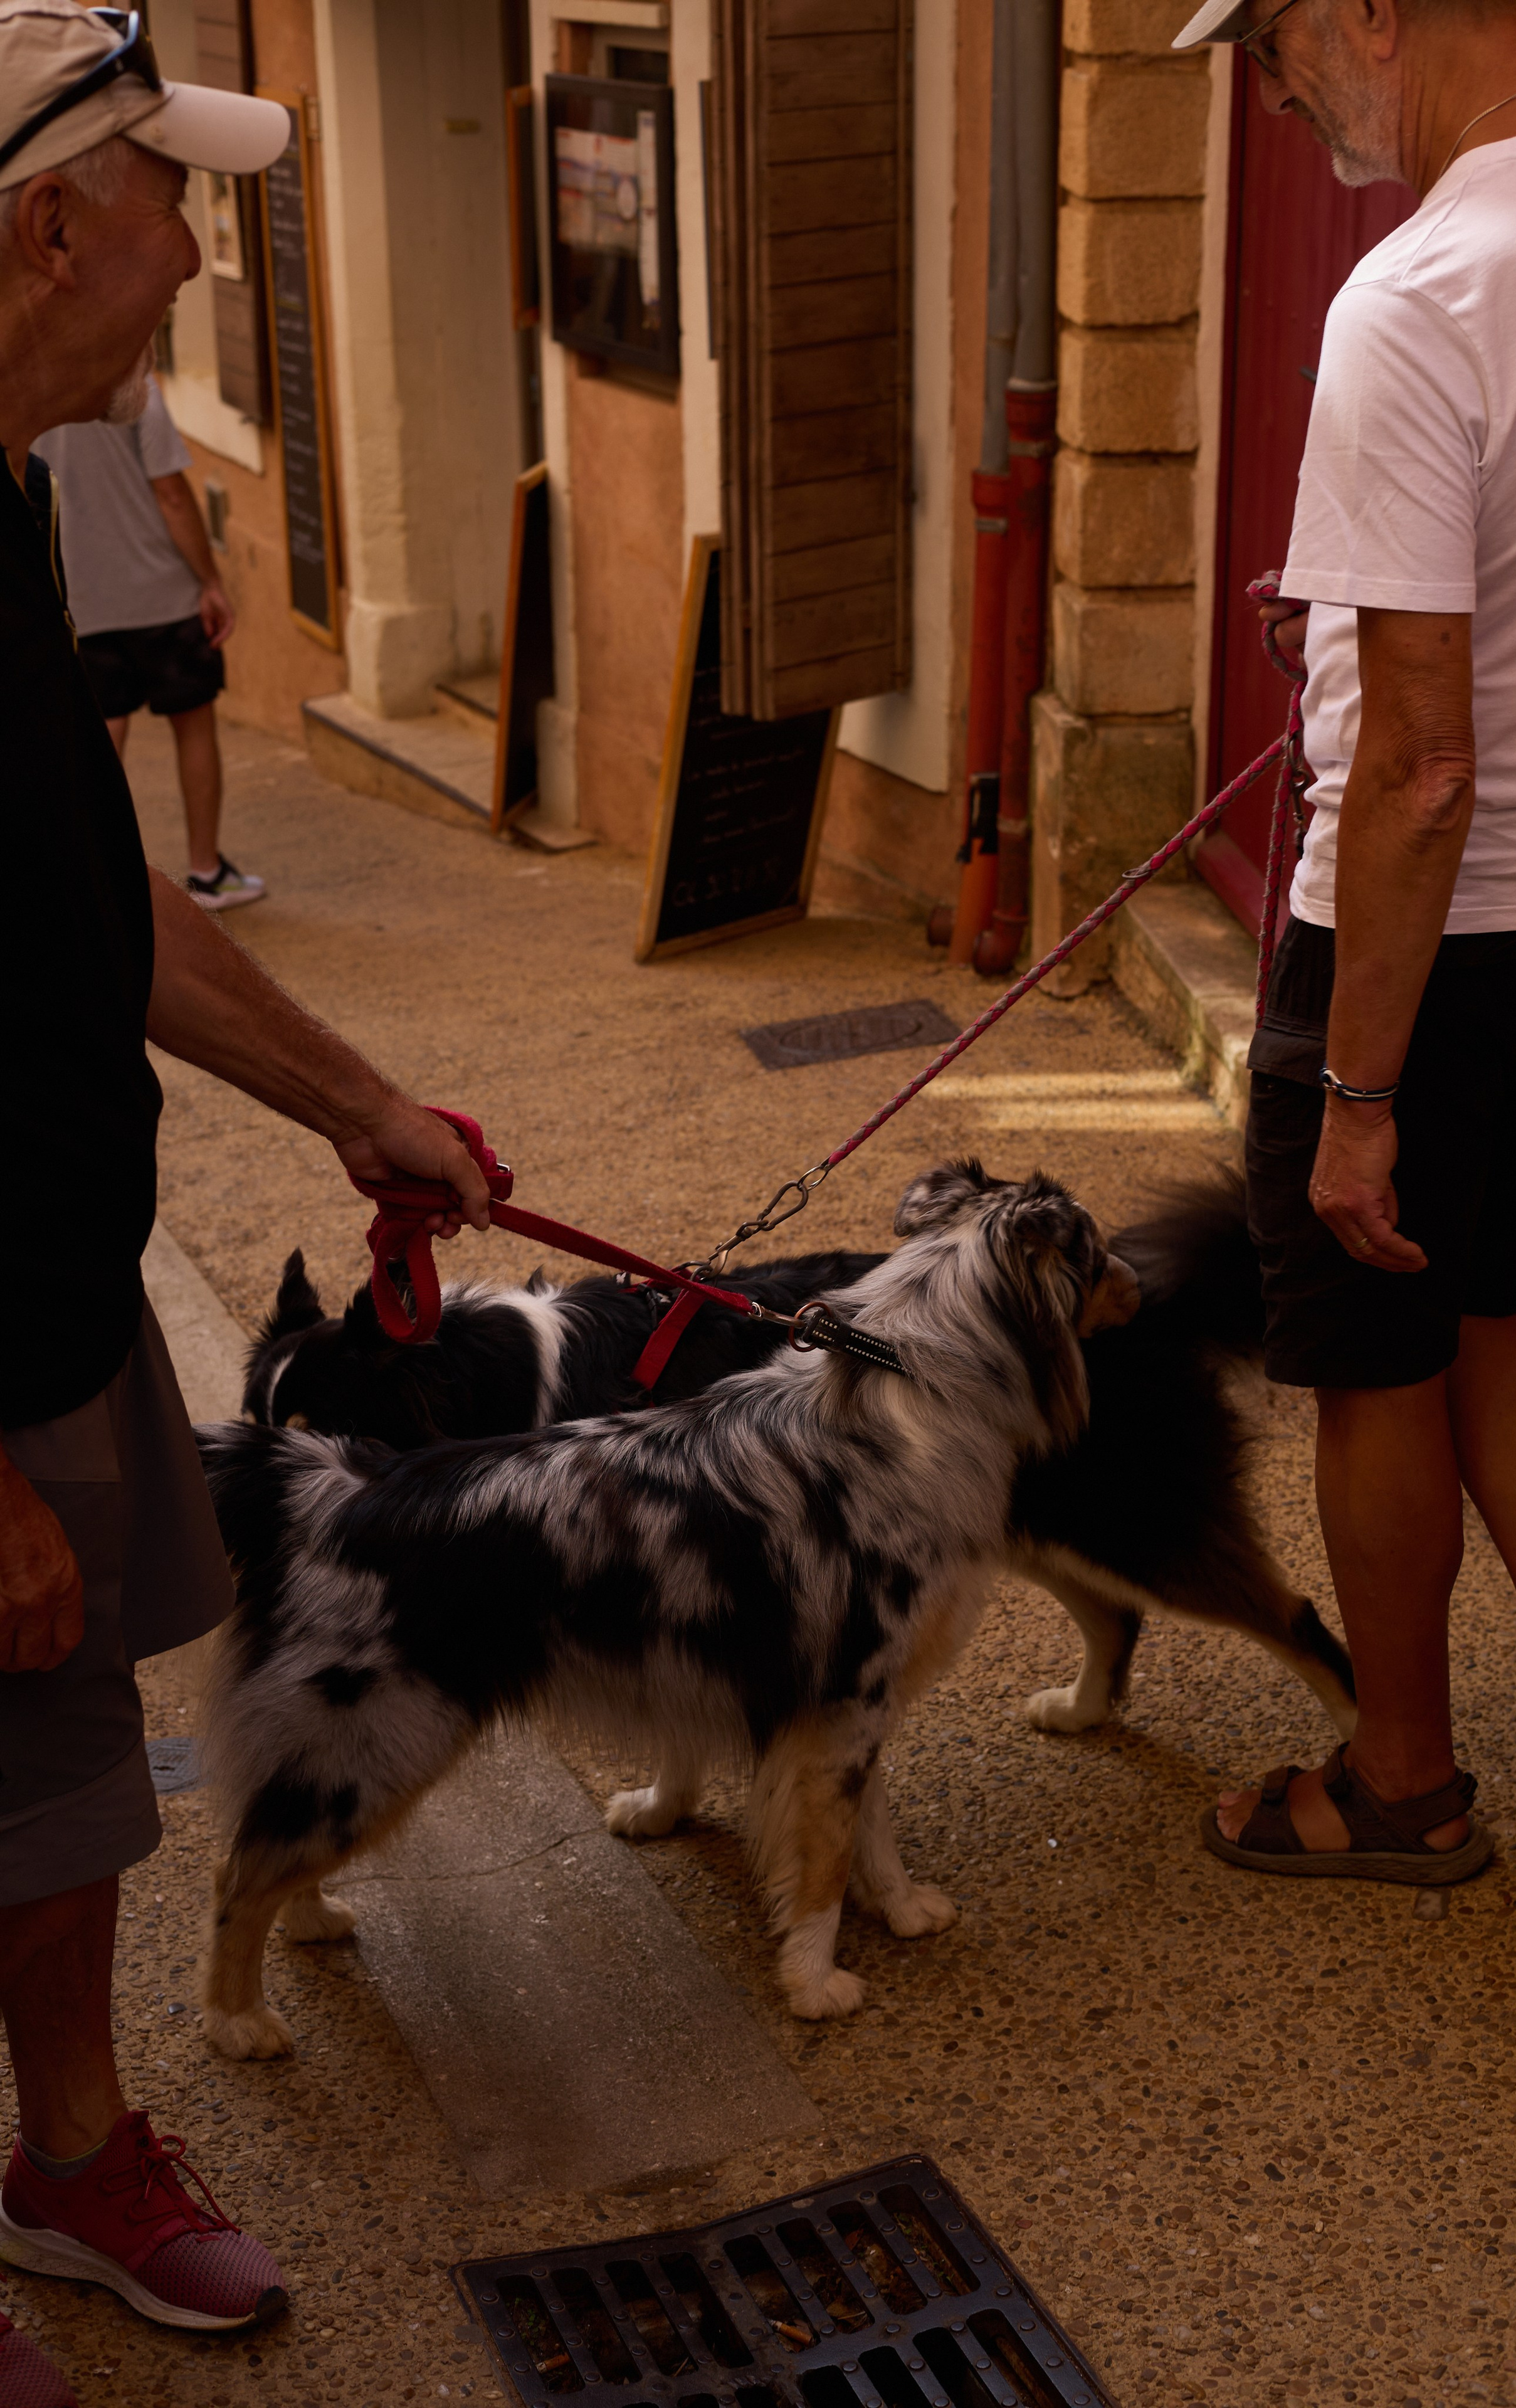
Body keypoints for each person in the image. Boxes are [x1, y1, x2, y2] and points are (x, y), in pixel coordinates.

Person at [0, 8, 491, 2403]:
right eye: (171, 200)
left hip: (49, 1292)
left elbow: (99, 892)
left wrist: (351, 1094)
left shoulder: (2, 495)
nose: (201, 254)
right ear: (46, 225)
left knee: (64, 1758)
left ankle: (74, 2158)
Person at [1170, 0, 1516, 1881]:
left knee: (1371, 1339)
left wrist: (1355, 1088)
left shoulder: (1417, 288)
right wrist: (1342, 628)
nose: (1268, 96)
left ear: (1368, 10)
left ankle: (1399, 1778)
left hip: (1435, 929)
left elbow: (1423, 770)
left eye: (1268, 46)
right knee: (1494, 1285)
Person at [36, 368, 262, 909]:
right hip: (162, 595)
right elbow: (173, 495)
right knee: (194, 724)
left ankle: (102, 880)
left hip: (83, 599)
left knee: (102, 738)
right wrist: (211, 581)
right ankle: (206, 871)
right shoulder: (136, 390)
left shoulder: (44, 394)